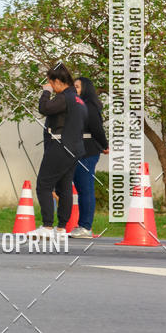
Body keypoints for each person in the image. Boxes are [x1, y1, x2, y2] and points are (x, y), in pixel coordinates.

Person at [33, 64, 87, 238]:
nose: (50, 86)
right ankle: (62, 228)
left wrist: (46, 92)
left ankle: (47, 226)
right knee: (64, 187)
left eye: (50, 83)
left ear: (56, 81)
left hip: (61, 145)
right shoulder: (78, 100)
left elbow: (44, 108)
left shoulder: (65, 97)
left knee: (44, 184)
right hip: (75, 148)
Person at [70, 77, 109, 238]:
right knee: (80, 188)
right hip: (77, 150)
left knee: (85, 188)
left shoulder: (89, 107)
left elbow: (97, 129)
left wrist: (105, 145)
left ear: (85, 89)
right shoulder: (76, 105)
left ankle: (86, 226)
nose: (74, 89)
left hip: (88, 151)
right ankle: (81, 225)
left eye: (77, 87)